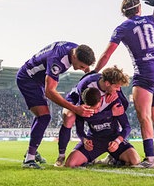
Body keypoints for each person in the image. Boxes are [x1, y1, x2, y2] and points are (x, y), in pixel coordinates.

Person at [93, 0, 154, 168]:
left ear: (124, 13)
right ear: (140, 9)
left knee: (144, 116)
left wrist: (94, 72)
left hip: (144, 73)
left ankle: (150, 159)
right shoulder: (153, 19)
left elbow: (107, 54)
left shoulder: (123, 27)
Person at [16, 41, 96, 169]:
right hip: (28, 79)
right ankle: (29, 160)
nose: (82, 70)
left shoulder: (76, 49)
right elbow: (50, 92)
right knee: (44, 116)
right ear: (74, 57)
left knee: (41, 116)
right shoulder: (58, 61)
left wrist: (89, 72)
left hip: (38, 81)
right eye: (81, 66)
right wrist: (75, 108)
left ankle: (32, 152)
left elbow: (86, 67)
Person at [54, 66, 130, 167]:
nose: (118, 90)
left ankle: (112, 156)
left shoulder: (112, 86)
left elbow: (124, 106)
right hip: (75, 101)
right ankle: (61, 155)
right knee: (69, 117)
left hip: (101, 113)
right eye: (116, 87)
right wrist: (110, 113)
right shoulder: (87, 85)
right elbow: (84, 115)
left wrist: (111, 104)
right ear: (107, 84)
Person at [65, 87, 141, 168]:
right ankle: (91, 159)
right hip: (94, 140)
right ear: (85, 104)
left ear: (101, 99)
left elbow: (127, 127)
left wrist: (117, 141)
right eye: (92, 109)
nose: (96, 111)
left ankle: (112, 159)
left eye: (97, 108)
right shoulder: (81, 109)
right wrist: (84, 140)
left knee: (135, 161)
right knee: (70, 163)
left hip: (113, 138)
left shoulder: (114, 103)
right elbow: (79, 130)